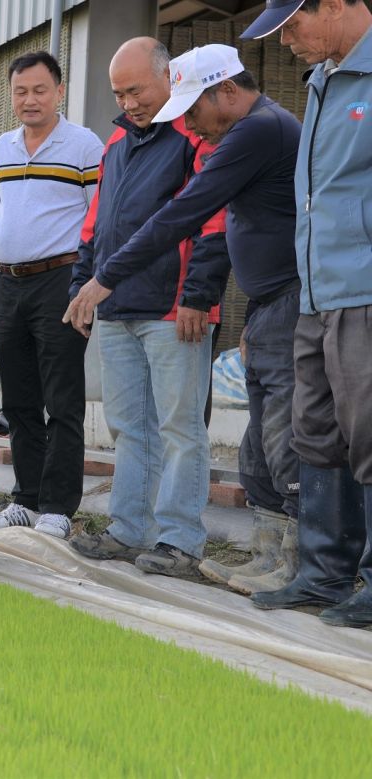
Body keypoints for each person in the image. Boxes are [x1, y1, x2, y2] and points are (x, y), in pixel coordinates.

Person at [92, 44, 304, 594]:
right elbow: (102, 223)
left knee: (265, 435)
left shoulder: (250, 133)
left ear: (225, 90)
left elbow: (193, 215)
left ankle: (290, 562)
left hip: (263, 300)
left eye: (194, 110)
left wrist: (115, 280)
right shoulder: (128, 142)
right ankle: (268, 552)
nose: (189, 123)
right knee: (257, 438)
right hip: (260, 303)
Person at [63, 37, 230, 578]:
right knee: (129, 428)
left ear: (168, 78)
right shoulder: (115, 143)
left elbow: (211, 221)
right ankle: (128, 530)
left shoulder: (193, 135)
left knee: (180, 429)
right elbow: (94, 226)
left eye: (136, 90)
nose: (128, 102)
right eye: (119, 92)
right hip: (115, 311)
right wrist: (80, 287)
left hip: (172, 310)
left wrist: (197, 298)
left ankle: (179, 540)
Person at [240, 0, 372, 628]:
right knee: (316, 431)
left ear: (341, 4)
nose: (286, 41)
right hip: (315, 291)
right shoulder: (321, 80)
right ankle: (324, 575)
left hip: (365, 288)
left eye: (294, 24)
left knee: (370, 431)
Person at [0, 51, 103, 540]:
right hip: (7, 283)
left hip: (61, 282)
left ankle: (57, 507)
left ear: (60, 91)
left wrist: (86, 284)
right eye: (20, 91)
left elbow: (97, 220)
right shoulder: (1, 149)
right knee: (19, 399)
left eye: (39, 90)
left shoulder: (85, 146)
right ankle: (25, 500)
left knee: (62, 398)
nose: (29, 100)